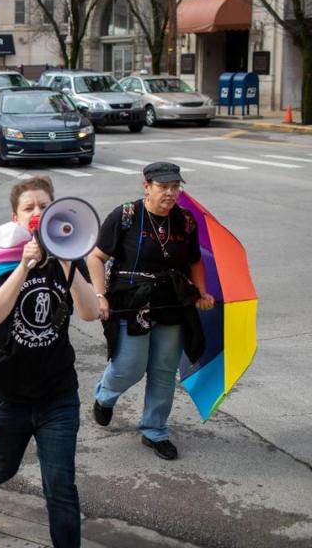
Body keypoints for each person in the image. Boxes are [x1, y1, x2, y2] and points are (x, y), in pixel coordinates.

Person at [0, 176, 100, 546]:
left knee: (61, 484)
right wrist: (23, 267)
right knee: (1, 466)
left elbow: (88, 313)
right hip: (7, 395)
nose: (37, 212)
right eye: (29, 208)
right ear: (15, 216)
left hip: (58, 395)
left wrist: (69, 265)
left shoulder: (69, 255)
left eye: (43, 206)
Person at [87, 162, 215, 461]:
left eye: (175, 187)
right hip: (131, 302)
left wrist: (201, 292)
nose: (171, 193)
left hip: (171, 302)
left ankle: (154, 430)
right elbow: (96, 257)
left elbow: (195, 261)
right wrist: (99, 295)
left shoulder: (185, 221)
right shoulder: (126, 216)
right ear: (147, 186)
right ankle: (105, 395)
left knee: (163, 370)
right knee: (128, 366)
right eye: (163, 187)